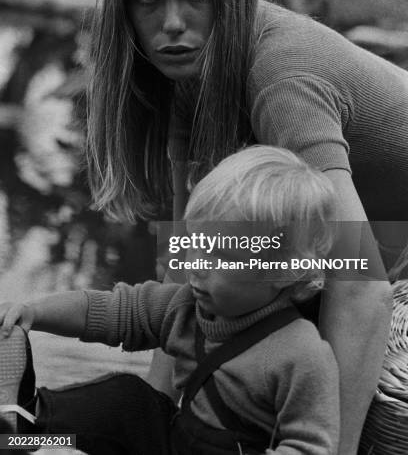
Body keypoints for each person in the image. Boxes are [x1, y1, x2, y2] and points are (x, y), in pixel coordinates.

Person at [83, 0, 403, 453]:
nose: (172, 22)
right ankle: (40, 437)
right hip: (375, 239)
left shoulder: (280, 76)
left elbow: (361, 288)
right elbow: (188, 262)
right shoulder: (191, 74)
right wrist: (159, 422)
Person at [0, 146, 340, 454]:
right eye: (194, 244)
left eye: (218, 255)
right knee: (127, 400)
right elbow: (111, 310)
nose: (195, 264)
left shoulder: (302, 354)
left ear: (282, 272)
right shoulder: (184, 305)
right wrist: (35, 312)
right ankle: (25, 426)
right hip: (173, 444)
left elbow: (310, 445)